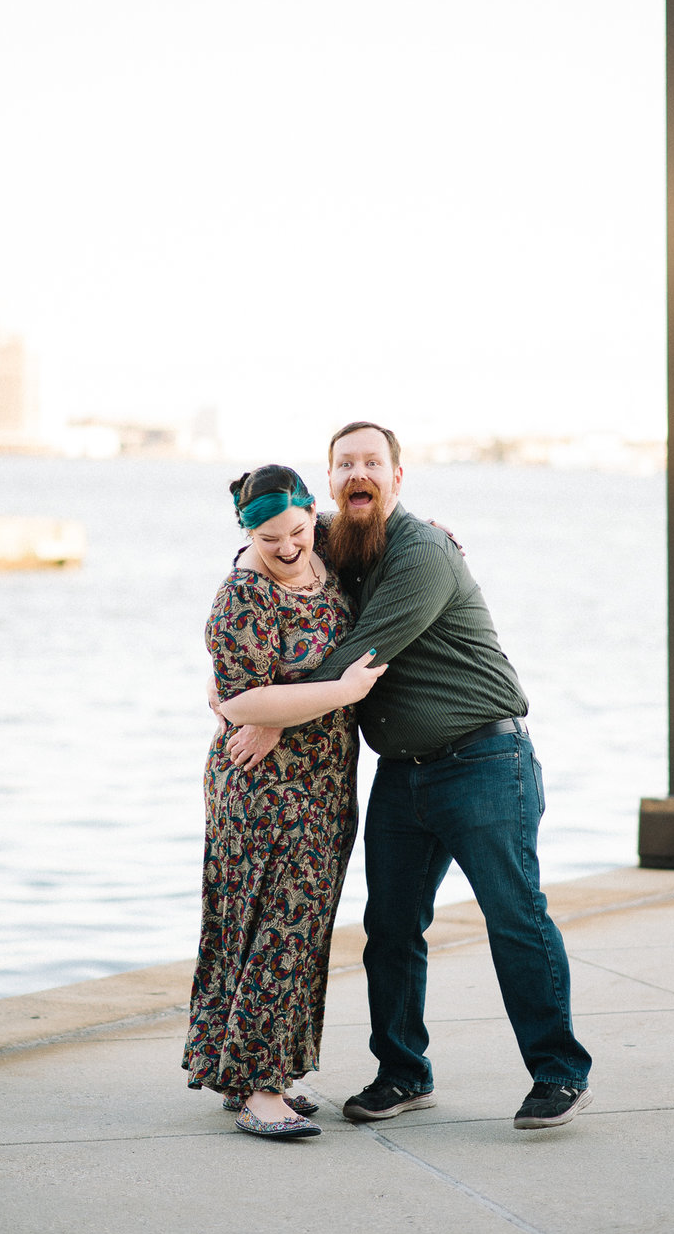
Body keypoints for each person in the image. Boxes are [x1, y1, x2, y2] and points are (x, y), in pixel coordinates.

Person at [228, 424, 593, 1131]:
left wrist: (270, 712)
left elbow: (359, 656)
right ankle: (403, 1072)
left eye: (372, 462)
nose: (358, 473)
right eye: (345, 464)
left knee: (515, 916)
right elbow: (270, 538)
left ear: (399, 476)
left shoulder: (422, 552)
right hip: (403, 770)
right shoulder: (335, 534)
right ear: (327, 483)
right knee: (390, 927)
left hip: (485, 761)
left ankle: (559, 1072)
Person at [181, 464, 384, 1141]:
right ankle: (261, 1088)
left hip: (325, 783)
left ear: (310, 514)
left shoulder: (323, 548)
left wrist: (440, 537)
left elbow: (377, 534)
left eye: (297, 531)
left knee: (303, 930)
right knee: (273, 930)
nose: (290, 547)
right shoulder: (243, 594)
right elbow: (239, 699)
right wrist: (339, 694)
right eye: (271, 540)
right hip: (263, 791)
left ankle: (249, 1069)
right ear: (247, 535)